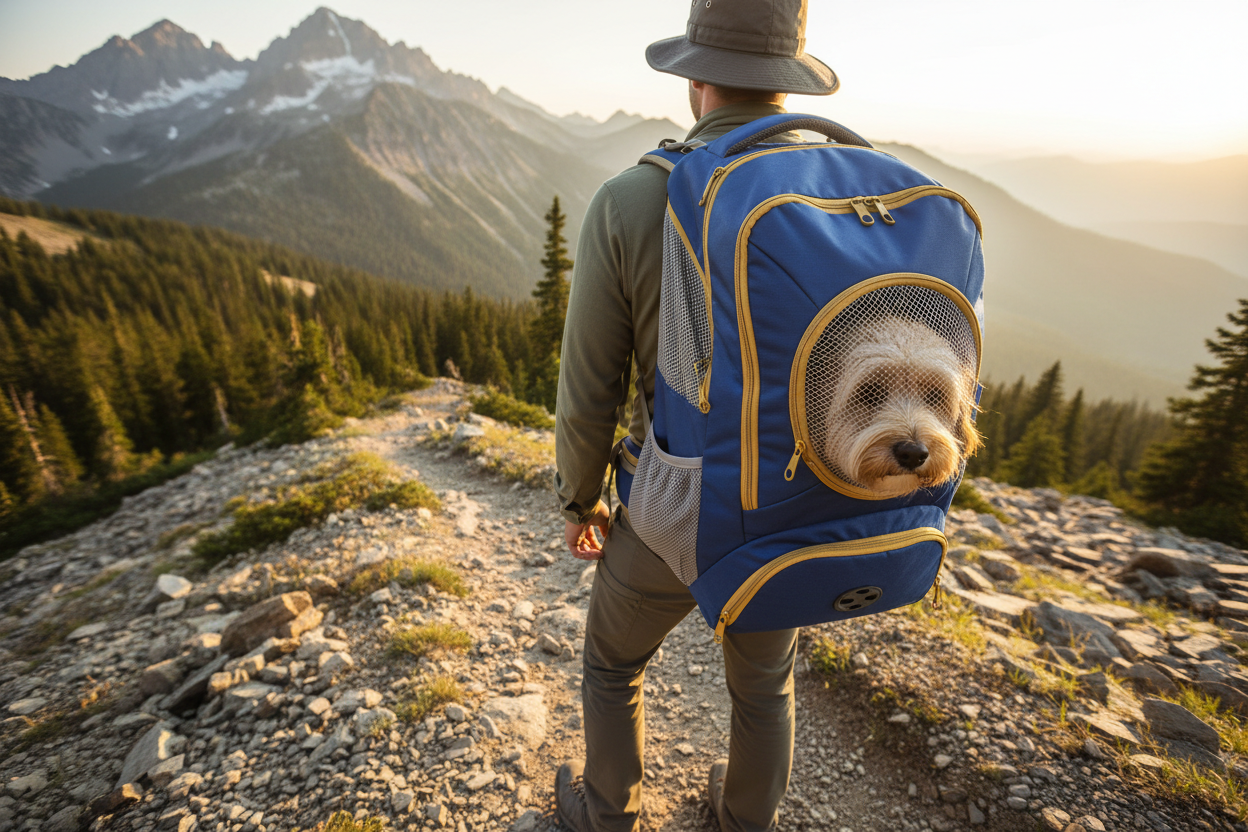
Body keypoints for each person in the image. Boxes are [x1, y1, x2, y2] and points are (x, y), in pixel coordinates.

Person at [552, 1, 838, 830]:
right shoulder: (834, 191)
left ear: (695, 77)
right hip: (793, 504)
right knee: (764, 684)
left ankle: (607, 815)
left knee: (613, 664)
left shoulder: (634, 198)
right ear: (787, 81)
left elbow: (588, 388)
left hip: (678, 508)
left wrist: (581, 502)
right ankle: (742, 820)